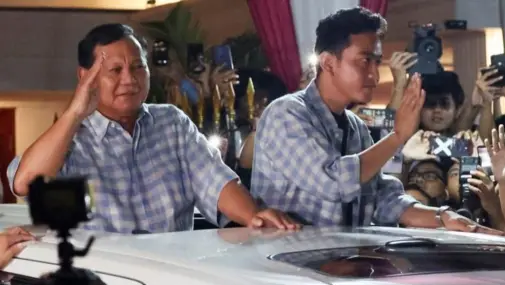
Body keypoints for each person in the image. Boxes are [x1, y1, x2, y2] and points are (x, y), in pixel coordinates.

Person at [7, 24, 298, 234]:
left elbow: (215, 180)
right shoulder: (70, 137)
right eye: (115, 71)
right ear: (85, 77)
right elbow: (24, 183)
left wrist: (254, 216)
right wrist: (74, 112)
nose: (130, 80)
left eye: (138, 67)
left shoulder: (171, 123)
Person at [252, 7, 499, 233]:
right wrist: (398, 136)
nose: (374, 74)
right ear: (328, 62)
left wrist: (444, 218)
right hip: (286, 269)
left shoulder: (356, 127)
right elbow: (333, 183)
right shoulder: (286, 114)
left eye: (377, 62)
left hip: (341, 264)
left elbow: (381, 198)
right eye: (364, 60)